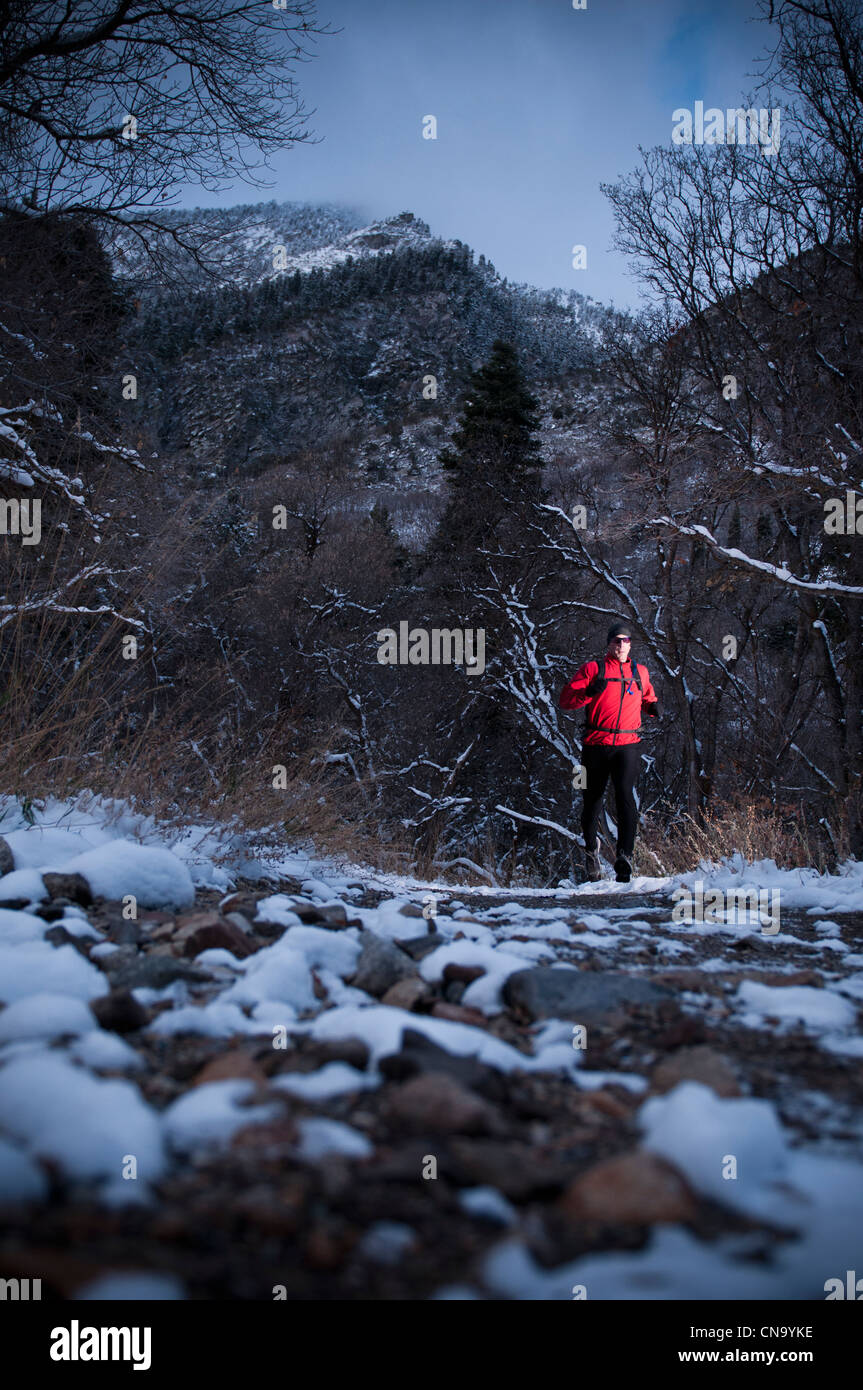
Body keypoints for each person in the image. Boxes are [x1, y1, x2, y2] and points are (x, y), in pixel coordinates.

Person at [558, 623, 659, 883]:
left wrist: (653, 708)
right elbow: (566, 701)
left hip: (628, 744)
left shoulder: (640, 672)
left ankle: (625, 857)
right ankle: (591, 852)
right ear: (609, 643)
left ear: (631, 644)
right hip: (596, 744)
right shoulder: (594, 669)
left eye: (625, 641)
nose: (621, 645)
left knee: (626, 795)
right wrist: (588, 693)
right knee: (592, 800)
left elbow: (647, 698)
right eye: (616, 640)